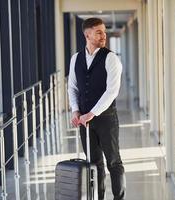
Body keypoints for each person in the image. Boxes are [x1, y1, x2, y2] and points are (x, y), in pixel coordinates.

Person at [68, 17, 126, 200]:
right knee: (94, 163)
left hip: (106, 119)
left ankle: (119, 198)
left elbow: (112, 91)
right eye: (99, 32)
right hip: (85, 121)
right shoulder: (75, 58)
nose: (104, 35)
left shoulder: (111, 59)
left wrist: (91, 113)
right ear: (87, 34)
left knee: (114, 162)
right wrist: (76, 110)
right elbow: (72, 87)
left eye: (104, 32)